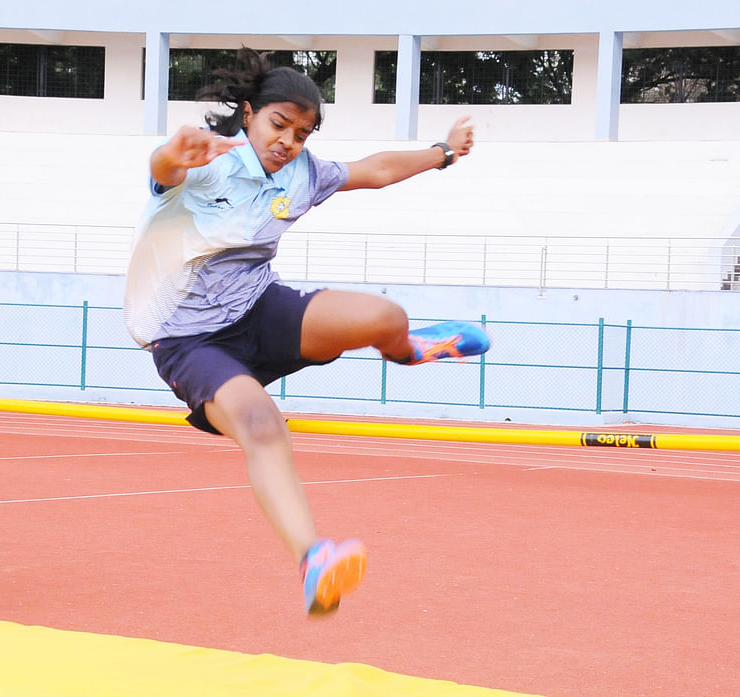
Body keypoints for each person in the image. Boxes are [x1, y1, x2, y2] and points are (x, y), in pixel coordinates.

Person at [123, 48, 489, 615]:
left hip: (259, 307)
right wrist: (170, 155)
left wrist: (443, 153)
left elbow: (377, 171)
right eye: (278, 124)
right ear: (248, 113)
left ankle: (411, 349)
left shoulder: (303, 171)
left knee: (384, 318)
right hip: (188, 340)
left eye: (302, 132)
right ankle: (314, 558)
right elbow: (164, 170)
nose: (287, 141)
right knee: (261, 422)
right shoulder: (206, 161)